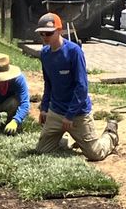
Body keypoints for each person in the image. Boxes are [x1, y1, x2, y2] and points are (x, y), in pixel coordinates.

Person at [34, 13, 119, 161]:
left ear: (59, 31)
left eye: (48, 33)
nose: (44, 36)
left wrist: (70, 115)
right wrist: (44, 107)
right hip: (56, 111)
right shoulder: (45, 54)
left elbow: (82, 87)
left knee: (95, 154)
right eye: (41, 33)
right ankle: (64, 139)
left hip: (77, 114)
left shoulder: (74, 52)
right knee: (42, 151)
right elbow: (48, 83)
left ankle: (111, 134)